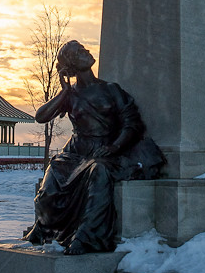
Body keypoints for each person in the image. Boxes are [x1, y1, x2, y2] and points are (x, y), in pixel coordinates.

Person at [23, 40, 165, 255]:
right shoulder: (70, 95)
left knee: (99, 170)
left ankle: (87, 236)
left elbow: (131, 123)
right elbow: (41, 117)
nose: (86, 51)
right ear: (72, 63)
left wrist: (114, 146)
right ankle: (45, 227)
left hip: (108, 150)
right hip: (76, 153)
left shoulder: (110, 89)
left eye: (84, 48)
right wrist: (64, 92)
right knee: (53, 176)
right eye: (79, 52)